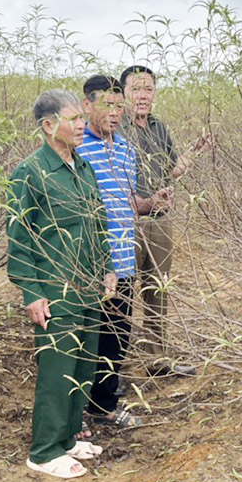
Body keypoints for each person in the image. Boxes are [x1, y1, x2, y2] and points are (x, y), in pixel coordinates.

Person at [7, 90, 115, 479]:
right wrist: (32, 294)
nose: (82, 125)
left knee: (83, 366)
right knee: (57, 371)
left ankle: (69, 437)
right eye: (74, 119)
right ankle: (45, 450)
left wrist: (106, 269)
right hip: (55, 289)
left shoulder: (83, 168)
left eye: (81, 119)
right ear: (49, 126)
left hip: (87, 285)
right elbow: (19, 239)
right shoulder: (30, 173)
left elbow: (97, 222)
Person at [75, 75, 167, 428]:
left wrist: (151, 204)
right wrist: (96, 264)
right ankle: (74, 412)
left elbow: (129, 204)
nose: (113, 114)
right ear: (87, 105)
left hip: (124, 260)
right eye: (106, 106)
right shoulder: (77, 148)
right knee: (85, 338)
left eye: (118, 106)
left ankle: (104, 406)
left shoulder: (127, 150)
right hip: (90, 264)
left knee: (116, 336)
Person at [117, 65, 212, 377]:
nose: (143, 95)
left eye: (148, 89)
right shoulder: (116, 129)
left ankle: (157, 360)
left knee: (158, 290)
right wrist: (144, 203)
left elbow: (171, 170)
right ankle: (113, 369)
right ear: (123, 93)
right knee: (121, 294)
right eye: (136, 89)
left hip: (160, 221)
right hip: (126, 224)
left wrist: (195, 150)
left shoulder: (157, 127)